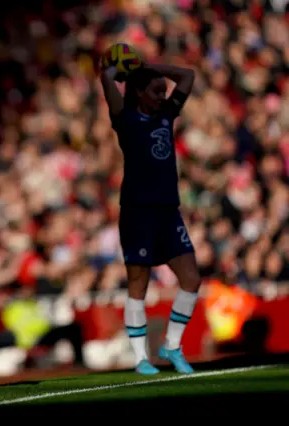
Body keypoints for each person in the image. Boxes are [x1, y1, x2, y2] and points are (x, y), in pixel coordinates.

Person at [100, 60, 200, 375]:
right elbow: (107, 78)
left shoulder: (166, 115)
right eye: (156, 90)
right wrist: (123, 68)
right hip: (137, 212)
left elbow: (188, 74)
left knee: (191, 279)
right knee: (138, 284)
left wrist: (151, 66)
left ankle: (171, 345)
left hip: (169, 211)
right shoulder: (125, 119)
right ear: (140, 92)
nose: (162, 95)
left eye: (163, 90)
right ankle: (140, 358)